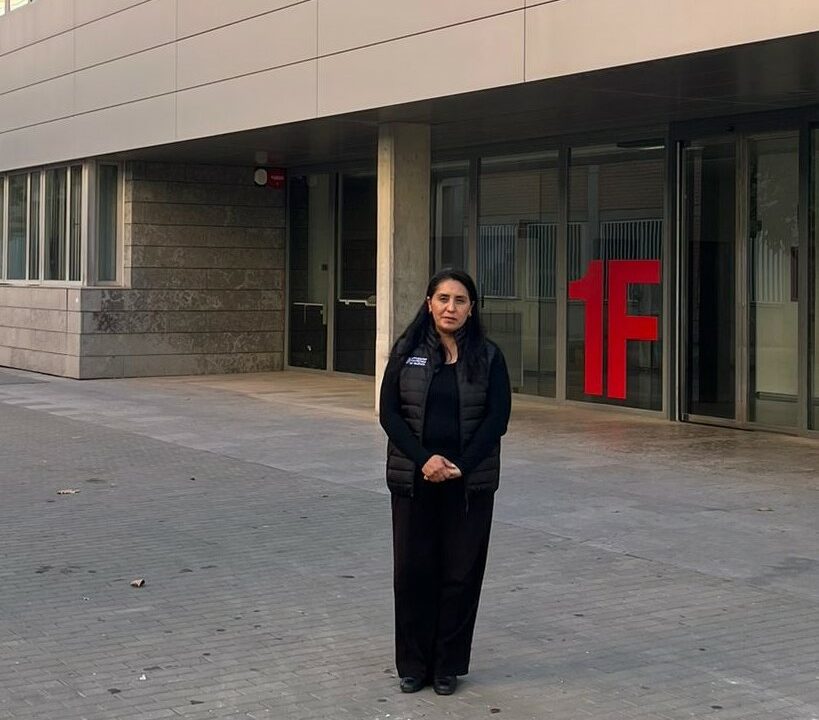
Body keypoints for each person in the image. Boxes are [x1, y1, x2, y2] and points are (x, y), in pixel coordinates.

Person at [379, 268, 512, 696]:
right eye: (443, 299)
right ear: (429, 304)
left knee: (460, 574)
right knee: (412, 573)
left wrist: (461, 466)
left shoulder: (488, 357)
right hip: (415, 481)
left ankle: (447, 666)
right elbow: (390, 414)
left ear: (472, 309)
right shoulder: (407, 352)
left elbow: (497, 419)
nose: (450, 307)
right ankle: (413, 665)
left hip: (467, 486)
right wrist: (425, 461)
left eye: (459, 300)